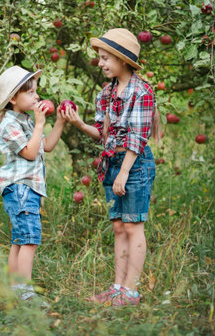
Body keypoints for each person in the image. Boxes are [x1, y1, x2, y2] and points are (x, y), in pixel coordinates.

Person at [63, 28, 160, 307]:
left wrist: (126, 171)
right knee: (118, 227)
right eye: (100, 58)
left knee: (133, 227)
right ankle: (118, 287)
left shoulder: (142, 92)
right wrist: (80, 124)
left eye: (106, 58)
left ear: (122, 60)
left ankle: (131, 292)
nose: (101, 63)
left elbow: (138, 136)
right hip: (112, 162)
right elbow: (103, 134)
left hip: (135, 163)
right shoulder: (105, 93)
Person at [0, 65, 66, 305]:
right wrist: (38, 124)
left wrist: (60, 123)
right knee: (30, 239)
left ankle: (16, 289)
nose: (37, 96)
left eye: (37, 91)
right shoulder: (10, 125)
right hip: (19, 187)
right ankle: (25, 293)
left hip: (28, 189)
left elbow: (47, 146)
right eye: (30, 92)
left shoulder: (24, 120)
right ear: (13, 99)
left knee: (20, 239)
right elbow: (31, 153)